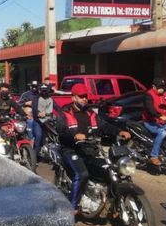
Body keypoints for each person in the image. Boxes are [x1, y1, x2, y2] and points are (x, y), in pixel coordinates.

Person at [56, 84, 130, 214]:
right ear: (74, 97)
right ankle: (73, 207)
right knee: (82, 174)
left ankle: (114, 203)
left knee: (110, 170)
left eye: (86, 96)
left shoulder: (91, 114)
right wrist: (74, 135)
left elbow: (104, 126)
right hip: (70, 149)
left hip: (89, 149)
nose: (85, 99)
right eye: (81, 96)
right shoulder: (65, 113)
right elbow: (61, 129)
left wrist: (119, 131)